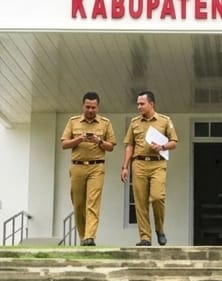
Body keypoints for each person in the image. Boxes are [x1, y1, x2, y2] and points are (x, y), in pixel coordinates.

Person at [121, 90, 178, 246]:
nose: (139, 107)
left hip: (157, 163)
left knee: (157, 197)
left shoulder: (164, 121)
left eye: (142, 104)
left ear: (151, 104)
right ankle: (145, 237)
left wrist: (162, 146)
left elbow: (174, 142)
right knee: (140, 202)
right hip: (139, 164)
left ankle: (159, 228)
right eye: (138, 104)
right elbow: (129, 145)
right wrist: (125, 166)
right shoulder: (134, 122)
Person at [60, 91, 116, 246]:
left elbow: (111, 146)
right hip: (77, 167)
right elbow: (64, 144)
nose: (90, 110)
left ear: (98, 107)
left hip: (96, 167)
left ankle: (90, 236)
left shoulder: (105, 123)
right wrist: (79, 139)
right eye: (88, 107)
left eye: (93, 107)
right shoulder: (73, 122)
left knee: (93, 202)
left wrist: (99, 141)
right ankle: (83, 236)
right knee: (78, 204)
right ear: (83, 106)